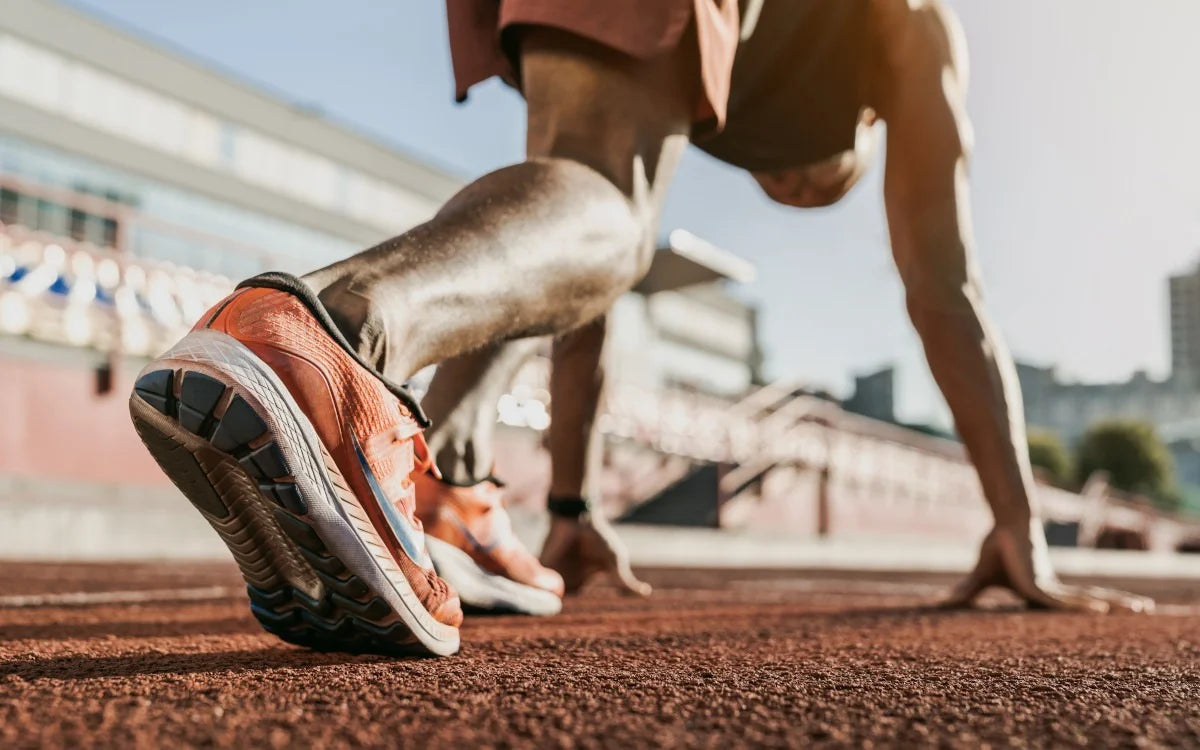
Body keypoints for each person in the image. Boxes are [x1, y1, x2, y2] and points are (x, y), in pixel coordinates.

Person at [128, 0, 1150, 657]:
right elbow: (945, 287)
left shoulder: (730, 63)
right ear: (866, 129)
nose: (788, 183)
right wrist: (1020, 523)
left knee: (576, 226)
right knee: (608, 216)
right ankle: (325, 336)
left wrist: (570, 501)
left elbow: (569, 293)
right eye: (810, 180)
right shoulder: (911, 26)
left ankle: (440, 480)